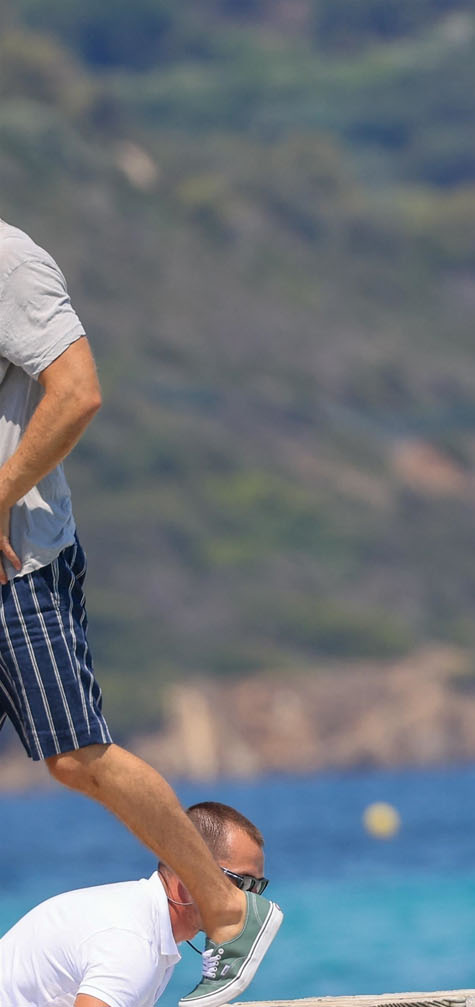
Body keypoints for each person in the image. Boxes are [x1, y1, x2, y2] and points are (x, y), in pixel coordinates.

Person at [0, 218, 280, 1006]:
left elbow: (78, 391)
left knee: (74, 756)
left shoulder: (8, 261)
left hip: (21, 564)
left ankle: (229, 909)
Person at [0, 801, 273, 1007]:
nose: (250, 899)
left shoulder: (146, 923)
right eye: (242, 882)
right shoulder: (133, 941)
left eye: (257, 887)